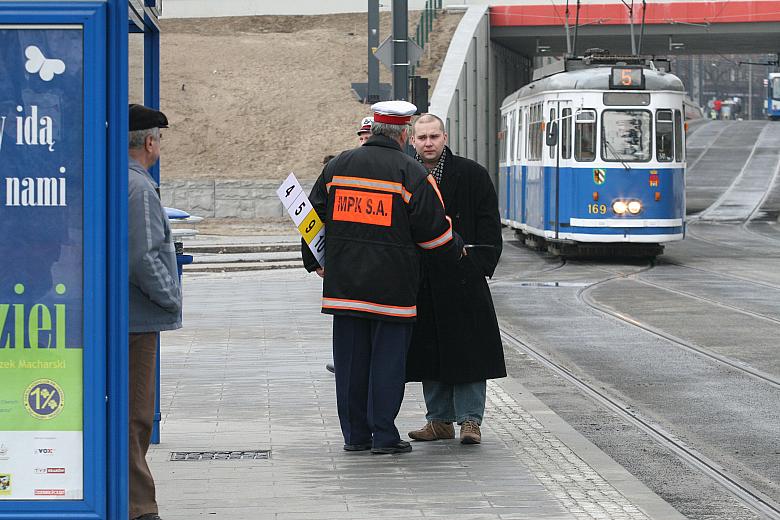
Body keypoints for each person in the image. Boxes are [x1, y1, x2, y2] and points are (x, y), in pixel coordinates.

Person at [302, 101, 462, 455]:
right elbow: (433, 234)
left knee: (349, 366)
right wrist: (455, 253)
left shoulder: (338, 166)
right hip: (392, 290)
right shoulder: (410, 172)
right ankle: (384, 436)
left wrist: (315, 261)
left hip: (344, 288)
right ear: (404, 134)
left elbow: (311, 216)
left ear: (373, 129)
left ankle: (355, 436)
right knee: (387, 365)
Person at [406, 113, 505, 445]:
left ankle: (470, 421)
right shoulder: (408, 174)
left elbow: (490, 224)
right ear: (412, 140)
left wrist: (476, 261)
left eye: (434, 136)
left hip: (464, 278)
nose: (429, 143)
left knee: (470, 352)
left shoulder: (472, 174)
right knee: (429, 350)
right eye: (422, 138)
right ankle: (438, 421)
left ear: (445, 137)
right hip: (425, 278)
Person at [128, 104, 182, 520]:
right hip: (136, 319)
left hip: (126, 317)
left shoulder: (121, 180)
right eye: (159, 139)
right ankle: (140, 508)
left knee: (133, 416)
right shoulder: (139, 189)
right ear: (150, 142)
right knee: (137, 416)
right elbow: (143, 258)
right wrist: (170, 297)